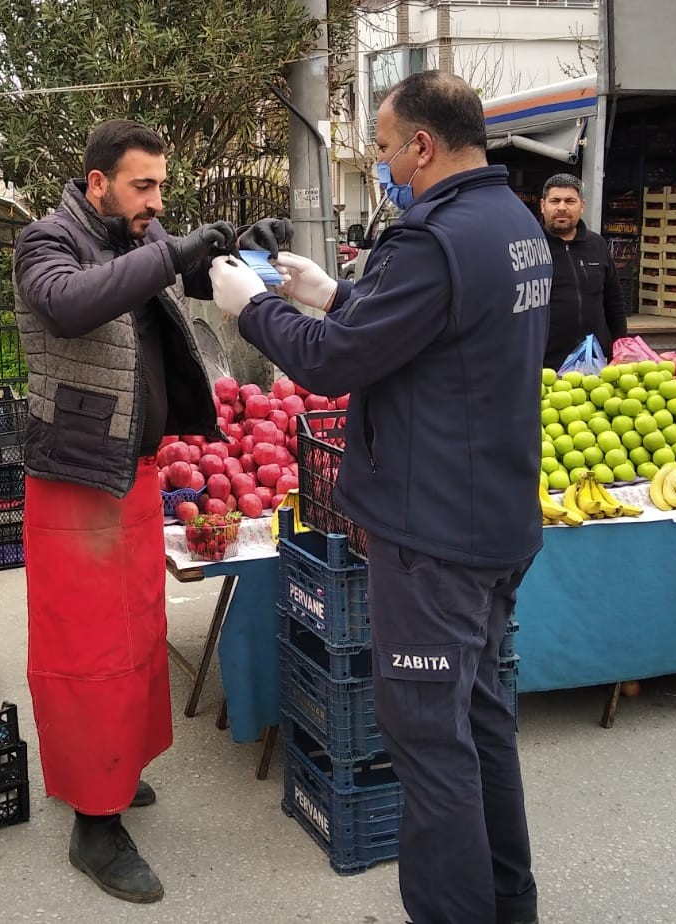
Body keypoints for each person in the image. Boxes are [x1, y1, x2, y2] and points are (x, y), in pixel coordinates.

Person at [208, 72, 548, 924]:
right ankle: (510, 904)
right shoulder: (512, 223)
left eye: (387, 149)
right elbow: (431, 329)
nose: (385, 165)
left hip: (434, 532)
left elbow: (331, 363)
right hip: (495, 517)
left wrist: (251, 311)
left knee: (431, 750)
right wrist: (331, 294)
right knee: (480, 725)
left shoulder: (430, 240)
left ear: (423, 146)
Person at [12, 119, 287, 905]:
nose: (156, 201)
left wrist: (247, 255)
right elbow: (70, 305)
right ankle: (92, 826)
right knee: (86, 651)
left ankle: (114, 773)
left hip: (128, 474)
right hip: (73, 480)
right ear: (97, 182)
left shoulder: (144, 238)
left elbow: (185, 285)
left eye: (161, 187)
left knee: (134, 636)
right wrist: (169, 249)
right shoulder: (46, 242)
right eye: (144, 186)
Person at [539, 172, 626, 370]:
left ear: (582, 206)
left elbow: (614, 300)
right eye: (555, 201)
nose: (562, 207)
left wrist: (619, 344)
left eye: (570, 201)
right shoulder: (530, 245)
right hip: (544, 364)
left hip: (594, 361)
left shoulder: (597, 244)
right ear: (543, 205)